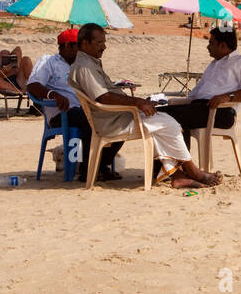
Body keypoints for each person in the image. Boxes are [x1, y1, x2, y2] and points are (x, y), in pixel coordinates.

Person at [68, 23, 220, 188]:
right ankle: (192, 171)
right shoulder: (84, 67)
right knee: (169, 124)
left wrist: (139, 102)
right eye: (99, 43)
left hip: (119, 115)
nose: (104, 47)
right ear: (84, 44)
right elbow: (103, 97)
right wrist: (138, 102)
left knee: (164, 123)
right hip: (112, 121)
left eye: (104, 42)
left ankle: (177, 175)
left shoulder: (90, 63)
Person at [27, 29, 117, 182]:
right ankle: (87, 169)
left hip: (87, 108)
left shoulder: (84, 64)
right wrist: (53, 95)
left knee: (118, 117)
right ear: (68, 46)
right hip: (62, 114)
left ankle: (101, 164)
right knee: (88, 119)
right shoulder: (48, 62)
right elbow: (33, 86)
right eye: (79, 46)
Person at [160, 27, 241, 148]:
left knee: (167, 116)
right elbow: (196, 93)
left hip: (221, 111)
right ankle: (176, 165)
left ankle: (182, 164)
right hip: (199, 108)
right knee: (163, 115)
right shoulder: (213, 65)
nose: (208, 47)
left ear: (222, 45)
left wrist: (227, 97)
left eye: (211, 43)